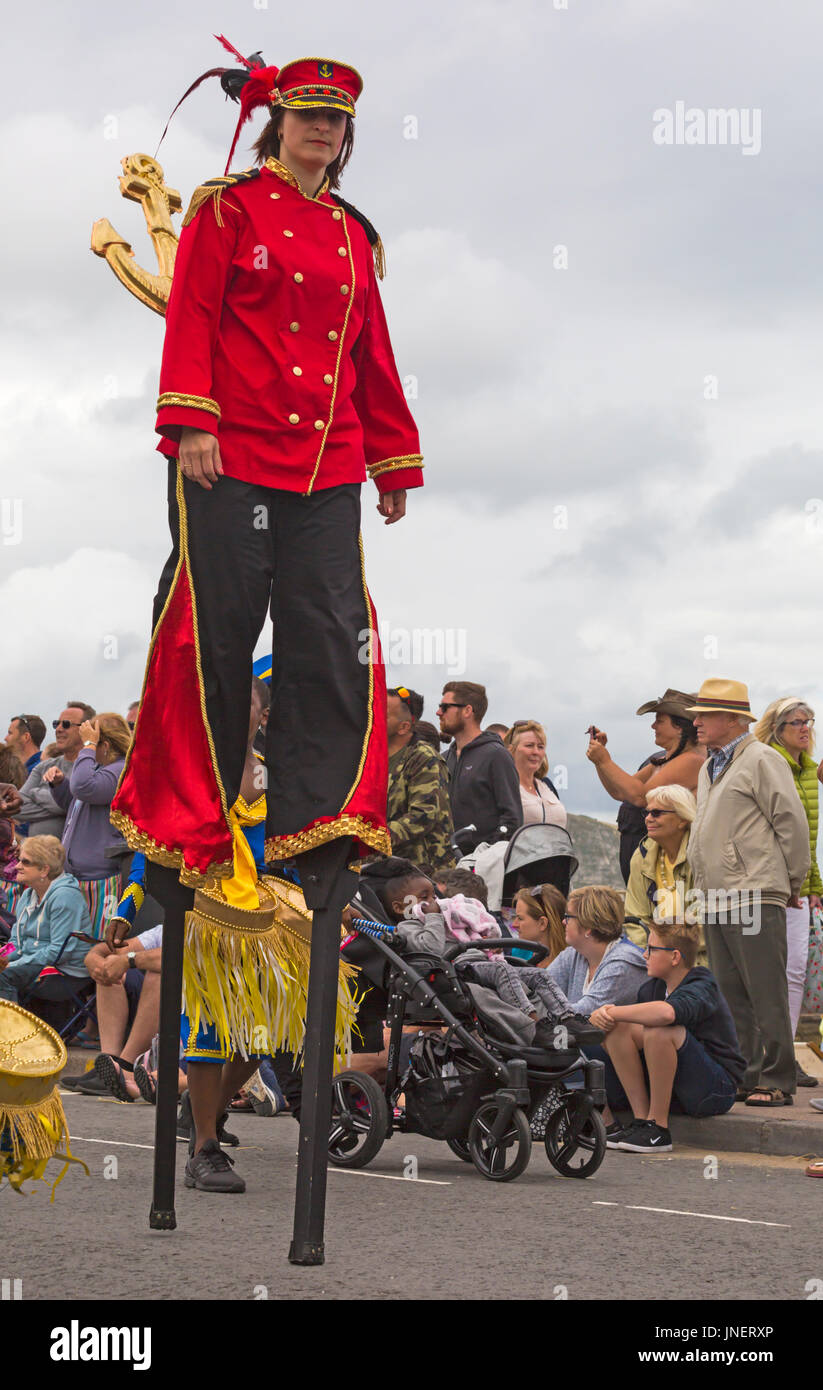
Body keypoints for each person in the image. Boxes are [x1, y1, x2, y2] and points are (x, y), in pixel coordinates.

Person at [111, 44, 422, 888]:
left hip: (326, 464)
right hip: (231, 453)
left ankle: (314, 818)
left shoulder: (356, 235)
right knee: (221, 626)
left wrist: (392, 459)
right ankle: (198, 808)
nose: (321, 128)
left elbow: (371, 354)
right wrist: (190, 421)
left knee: (327, 633)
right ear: (274, 123)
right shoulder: (227, 210)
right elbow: (194, 316)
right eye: (307, 114)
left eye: (335, 119)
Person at [686, 678, 809, 1108]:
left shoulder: (761, 759)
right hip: (716, 894)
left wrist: (791, 881)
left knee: (766, 990)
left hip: (754, 891)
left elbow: (791, 821)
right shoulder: (709, 766)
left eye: (704, 714)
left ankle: (777, 1079)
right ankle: (746, 1075)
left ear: (733, 719)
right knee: (730, 992)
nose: (696, 722)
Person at [589, 920, 746, 1153]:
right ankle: (642, 1121)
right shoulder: (650, 989)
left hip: (716, 1089)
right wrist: (609, 1020)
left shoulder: (702, 983)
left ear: (675, 957)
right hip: (677, 1088)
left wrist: (609, 1011)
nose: (644, 955)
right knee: (617, 1029)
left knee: (661, 1028)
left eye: (651, 949)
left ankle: (658, 1129)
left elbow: (667, 1013)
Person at [753, 697, 822, 1087]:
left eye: (809, 721)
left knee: (794, 971)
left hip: (801, 886)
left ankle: (786, 1054)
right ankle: (765, 1056)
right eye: (797, 721)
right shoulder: (766, 763)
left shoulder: (810, 769)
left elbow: (808, 838)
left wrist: (813, 886)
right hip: (770, 885)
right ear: (776, 728)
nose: (805, 728)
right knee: (768, 972)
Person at [587, 690, 705, 883]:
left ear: (679, 727)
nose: (653, 726)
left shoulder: (692, 761)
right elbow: (620, 792)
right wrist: (600, 761)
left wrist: (605, 760)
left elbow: (641, 797)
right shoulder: (663, 760)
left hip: (668, 865)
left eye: (659, 721)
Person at [43, 714, 131, 941]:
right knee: (76, 944)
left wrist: (88, 746)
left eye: (91, 743)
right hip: (81, 878)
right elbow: (77, 806)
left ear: (106, 745)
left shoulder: (120, 771)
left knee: (95, 944)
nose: (86, 748)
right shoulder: (103, 770)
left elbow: (83, 787)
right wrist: (61, 785)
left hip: (101, 880)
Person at [61, 925, 166, 1101]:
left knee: (159, 974)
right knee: (108, 969)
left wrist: (128, 960)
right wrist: (94, 957)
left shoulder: (209, 926)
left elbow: (176, 955)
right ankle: (111, 1063)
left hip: (194, 1011)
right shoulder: (167, 927)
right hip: (162, 1008)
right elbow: (113, 949)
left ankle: (126, 1067)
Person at [0, 836, 90, 1003]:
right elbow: (16, 943)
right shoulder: (28, 895)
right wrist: (2, 956)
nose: (17, 866)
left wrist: (13, 965)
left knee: (4, 977)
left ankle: (11, 1029)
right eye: (19, 860)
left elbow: (60, 952)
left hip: (65, 972)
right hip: (34, 963)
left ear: (44, 870)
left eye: (25, 862)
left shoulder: (66, 896)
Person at [623, 785, 705, 962]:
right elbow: (635, 918)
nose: (648, 819)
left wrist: (664, 950)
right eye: (647, 813)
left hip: (698, 960)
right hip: (653, 960)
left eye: (657, 813)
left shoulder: (703, 854)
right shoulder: (641, 856)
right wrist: (651, 954)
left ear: (682, 819)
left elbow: (708, 922)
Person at [439, 682, 521, 852]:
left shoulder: (496, 755)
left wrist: (483, 857)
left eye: (445, 707)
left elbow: (512, 819)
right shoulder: (444, 759)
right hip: (445, 869)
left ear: (467, 711)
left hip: (482, 871)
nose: (439, 712)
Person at [546, 884, 647, 1014]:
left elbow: (582, 1014)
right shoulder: (575, 953)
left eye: (568, 917)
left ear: (588, 926)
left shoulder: (623, 963)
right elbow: (541, 988)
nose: (563, 922)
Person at [386, 686, 454, 870]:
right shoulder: (371, 758)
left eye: (382, 714)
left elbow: (423, 815)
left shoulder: (423, 757)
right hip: (382, 868)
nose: (372, 718)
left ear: (404, 727)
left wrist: (373, 838)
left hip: (422, 872)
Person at [10, 703, 96, 840]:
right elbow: (17, 807)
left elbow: (79, 807)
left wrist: (35, 794)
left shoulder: (92, 767)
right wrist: (63, 809)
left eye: (66, 724)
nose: (59, 729)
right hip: (34, 856)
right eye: (57, 724)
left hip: (66, 858)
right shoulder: (43, 766)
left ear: (85, 729)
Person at [503, 720, 567, 828]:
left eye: (540, 747)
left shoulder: (547, 786)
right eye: (529, 745)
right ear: (510, 750)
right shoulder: (504, 787)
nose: (536, 752)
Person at [511, 884, 567, 963]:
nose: (514, 925)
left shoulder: (567, 965)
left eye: (520, 918)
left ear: (542, 923)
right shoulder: (520, 951)